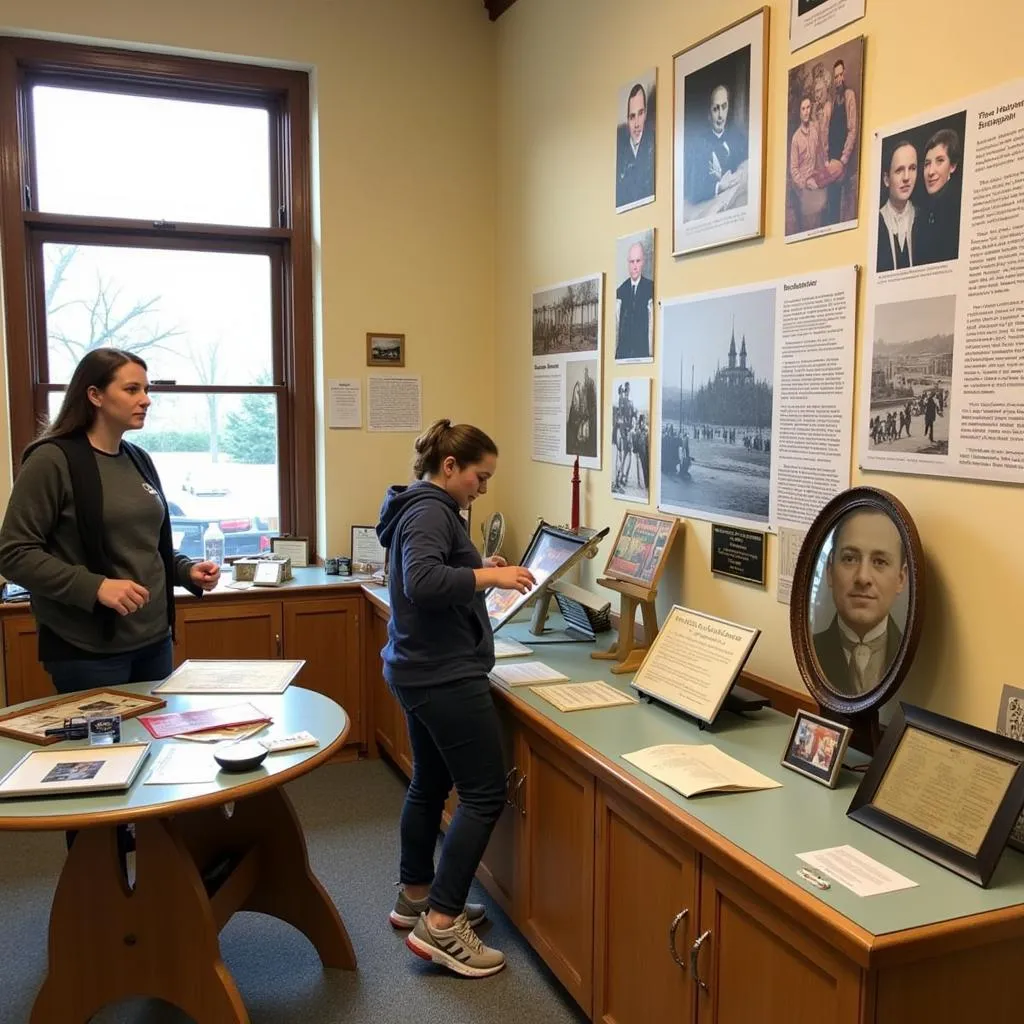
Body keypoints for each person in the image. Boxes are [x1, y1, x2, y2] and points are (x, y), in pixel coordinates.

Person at [376, 419, 536, 978]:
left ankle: (416, 896)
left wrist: (475, 566)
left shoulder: (419, 506)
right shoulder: (429, 510)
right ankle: (442, 924)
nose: (482, 489)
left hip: (418, 667)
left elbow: (433, 567)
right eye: (480, 476)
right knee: (484, 793)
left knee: (430, 782)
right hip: (442, 674)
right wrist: (490, 580)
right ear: (450, 468)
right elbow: (421, 581)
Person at [0, 348, 220, 694]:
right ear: (95, 395)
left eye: (147, 390)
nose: (145, 400)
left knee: (154, 745)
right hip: (87, 652)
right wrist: (96, 586)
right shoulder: (52, 460)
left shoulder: (138, 459)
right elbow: (14, 554)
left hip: (154, 641)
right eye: (132, 390)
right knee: (102, 750)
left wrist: (184, 570)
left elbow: (145, 545)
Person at [812, 509, 907, 696]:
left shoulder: (917, 662)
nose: (863, 578)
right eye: (850, 559)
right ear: (830, 571)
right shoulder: (811, 653)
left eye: (880, 562)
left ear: (901, 579)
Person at [684, 83, 749, 208]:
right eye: (715, 109)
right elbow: (693, 190)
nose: (720, 115)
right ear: (709, 113)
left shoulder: (737, 136)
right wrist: (719, 187)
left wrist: (741, 171)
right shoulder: (698, 145)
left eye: (724, 107)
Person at [914, 127, 962, 265]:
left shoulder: (956, 209)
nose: (931, 171)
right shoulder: (924, 212)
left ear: (952, 166)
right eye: (927, 164)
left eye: (940, 161)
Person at [823, 59, 859, 224]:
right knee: (830, 202)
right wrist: (826, 160)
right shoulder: (830, 103)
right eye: (835, 76)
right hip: (830, 160)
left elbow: (852, 129)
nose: (838, 79)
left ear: (844, 74)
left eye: (840, 75)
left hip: (843, 160)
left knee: (841, 204)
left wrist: (843, 159)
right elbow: (824, 133)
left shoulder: (849, 96)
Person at [876, 139, 918, 272]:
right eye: (899, 170)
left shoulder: (923, 220)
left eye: (912, 168)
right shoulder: (876, 223)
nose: (906, 177)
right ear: (886, 179)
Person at [789, 95, 827, 231]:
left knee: (822, 223)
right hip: (803, 187)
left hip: (816, 181)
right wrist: (805, 183)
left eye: (808, 108)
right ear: (800, 112)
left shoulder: (815, 129)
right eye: (803, 108)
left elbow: (821, 151)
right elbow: (793, 169)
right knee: (810, 227)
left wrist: (823, 173)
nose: (806, 111)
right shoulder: (796, 138)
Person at [616, 83, 655, 209]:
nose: (637, 124)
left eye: (641, 113)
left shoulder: (653, 146)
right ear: (627, 120)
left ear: (646, 114)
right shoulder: (620, 155)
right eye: (632, 117)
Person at [615, 242, 654, 360]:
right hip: (623, 354)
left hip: (642, 353)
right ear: (628, 264)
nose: (635, 266)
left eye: (638, 261)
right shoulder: (620, 291)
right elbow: (617, 326)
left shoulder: (650, 288)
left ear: (643, 262)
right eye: (632, 262)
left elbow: (651, 326)